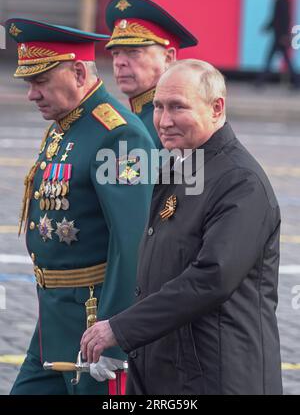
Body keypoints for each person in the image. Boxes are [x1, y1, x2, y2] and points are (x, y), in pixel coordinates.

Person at [81, 59, 283, 395]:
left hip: (216, 374)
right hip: (165, 367)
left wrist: (121, 328)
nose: (163, 120)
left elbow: (211, 278)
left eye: (178, 107)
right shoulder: (182, 164)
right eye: (158, 107)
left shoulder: (240, 182)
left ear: (216, 108)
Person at [5, 17, 155, 395]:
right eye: (29, 83)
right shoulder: (67, 122)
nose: (31, 94)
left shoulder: (119, 133)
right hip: (54, 313)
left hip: (93, 319)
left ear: (77, 72)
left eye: (40, 82)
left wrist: (117, 335)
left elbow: (132, 240)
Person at [105, 0, 198, 147]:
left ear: (168, 58)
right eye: (115, 53)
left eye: (133, 52)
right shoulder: (133, 116)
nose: (119, 62)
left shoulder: (178, 123)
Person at [257, 0, 299, 88]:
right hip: (277, 36)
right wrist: (266, 27)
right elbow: (275, 18)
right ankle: (260, 82)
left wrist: (285, 35)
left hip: (280, 37)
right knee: (273, 60)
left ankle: (260, 82)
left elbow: (286, 19)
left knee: (278, 60)